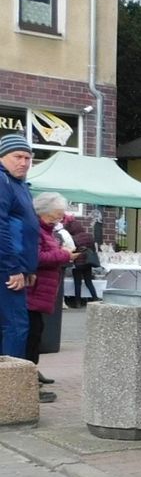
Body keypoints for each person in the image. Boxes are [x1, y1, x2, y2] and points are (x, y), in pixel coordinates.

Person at [25, 192, 82, 402]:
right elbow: (37, 257)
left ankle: (32, 373)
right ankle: (27, 380)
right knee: (31, 336)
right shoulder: (35, 230)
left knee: (35, 334)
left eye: (60, 216)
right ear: (41, 213)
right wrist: (64, 254)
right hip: (33, 291)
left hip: (39, 292)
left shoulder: (45, 229)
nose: (58, 220)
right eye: (54, 216)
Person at [0, 134, 39, 360]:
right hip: (7, 268)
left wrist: (29, 268)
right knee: (15, 326)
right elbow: (2, 227)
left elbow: (26, 228)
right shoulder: (3, 181)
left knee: (13, 325)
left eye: (27, 158)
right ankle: (11, 378)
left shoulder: (19, 184)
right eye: (18, 157)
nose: (24, 162)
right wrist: (13, 268)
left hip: (15, 267)